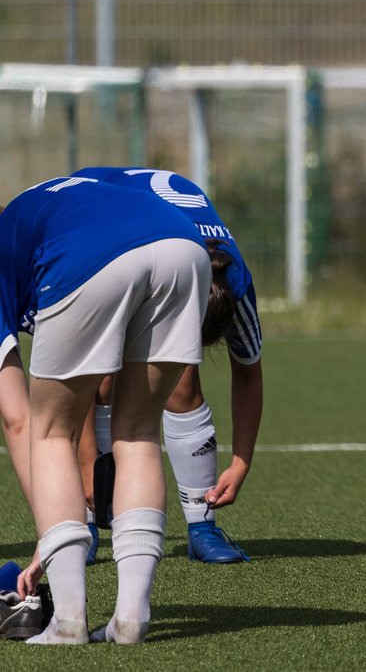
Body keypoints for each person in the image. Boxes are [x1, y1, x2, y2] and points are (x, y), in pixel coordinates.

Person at [0, 174, 234, 644]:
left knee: (50, 433)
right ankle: (130, 619)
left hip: (92, 253)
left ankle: (68, 623)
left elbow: (20, 419)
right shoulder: (25, 215)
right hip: (185, 249)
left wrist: (50, 543)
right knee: (138, 431)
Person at [72, 167, 262, 564]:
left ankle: (201, 525)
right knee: (103, 378)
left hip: (156, 241)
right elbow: (78, 374)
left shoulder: (235, 283)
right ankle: (86, 520)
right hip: (100, 228)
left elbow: (247, 373)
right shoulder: (118, 263)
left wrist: (241, 463)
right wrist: (89, 464)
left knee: (181, 381)